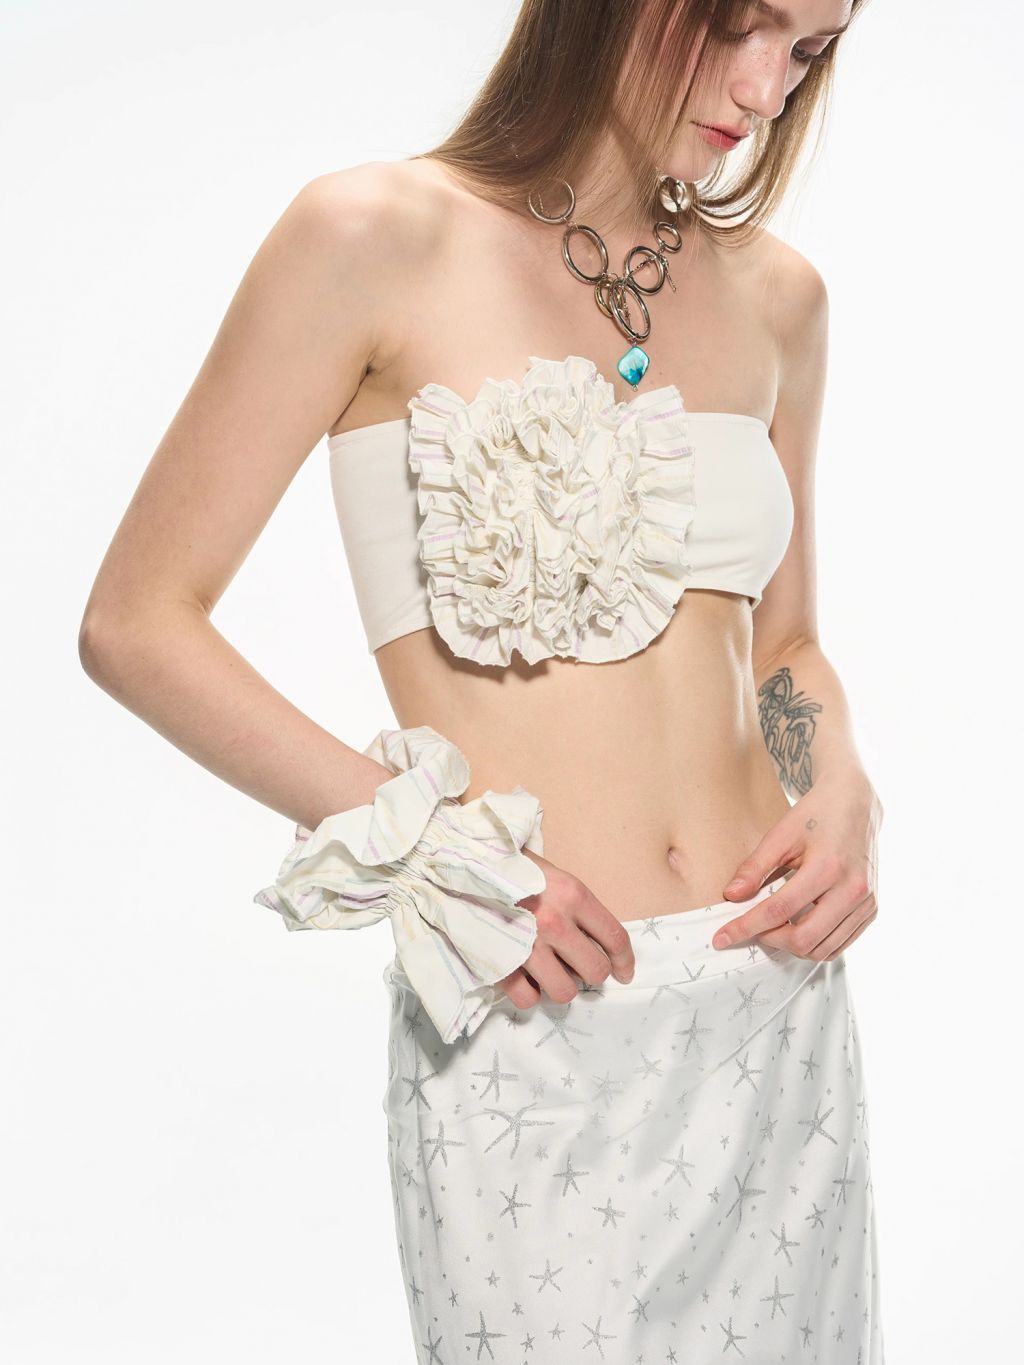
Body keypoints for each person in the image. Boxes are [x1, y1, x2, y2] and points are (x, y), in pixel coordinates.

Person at [78, 0, 886, 1359]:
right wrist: (443, 858)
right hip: (532, 1017)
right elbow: (137, 621)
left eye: (807, 49)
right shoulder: (371, 238)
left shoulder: (780, 301)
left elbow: (787, 643)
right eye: (741, 22)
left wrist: (844, 782)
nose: (765, 89)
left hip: (776, 1006)